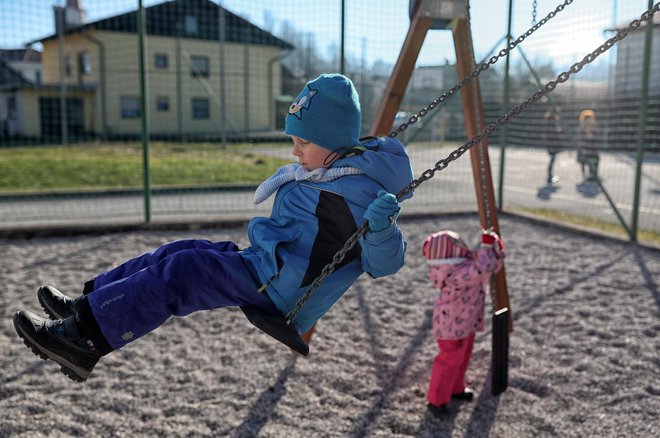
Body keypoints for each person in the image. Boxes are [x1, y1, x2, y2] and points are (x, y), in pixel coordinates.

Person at [12, 73, 414, 382]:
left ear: (333, 140)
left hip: (280, 289)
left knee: (183, 273)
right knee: (181, 251)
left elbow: (384, 264)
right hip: (263, 264)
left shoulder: (362, 193)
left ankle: (83, 341)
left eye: (303, 143)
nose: (295, 152)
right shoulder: (333, 167)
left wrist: (381, 229)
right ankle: (86, 307)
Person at [421, 229, 505, 417]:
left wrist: (496, 252)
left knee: (462, 358)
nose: (464, 247)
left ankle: (456, 388)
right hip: (451, 328)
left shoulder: (463, 267)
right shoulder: (453, 273)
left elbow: (488, 267)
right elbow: (480, 268)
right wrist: (486, 247)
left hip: (464, 324)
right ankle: (436, 400)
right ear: (449, 254)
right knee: (449, 362)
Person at [543, 107, 564, 185]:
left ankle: (550, 175)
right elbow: (551, 133)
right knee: (552, 159)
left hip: (552, 143)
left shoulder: (552, 120)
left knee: (552, 159)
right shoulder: (551, 120)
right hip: (552, 143)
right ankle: (549, 176)